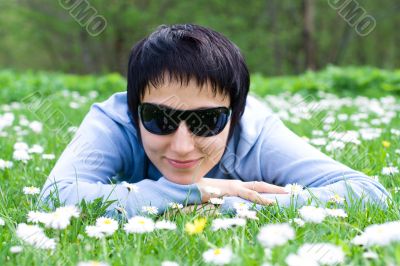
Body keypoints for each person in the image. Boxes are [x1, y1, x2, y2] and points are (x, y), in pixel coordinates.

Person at [39, 24, 389, 218]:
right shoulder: (113, 121)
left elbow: (369, 194)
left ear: (235, 116)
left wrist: (228, 203)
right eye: (160, 118)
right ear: (133, 111)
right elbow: (54, 198)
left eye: (207, 121)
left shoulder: (254, 131)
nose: (182, 145)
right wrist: (199, 191)